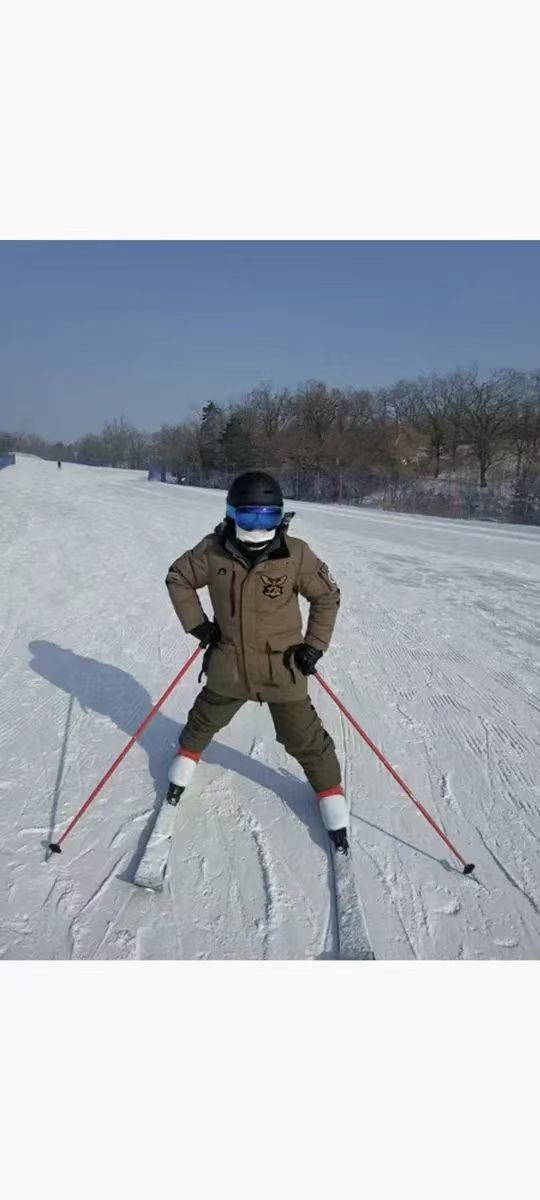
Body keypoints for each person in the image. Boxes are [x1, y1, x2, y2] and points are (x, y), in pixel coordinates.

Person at [165, 471, 350, 851]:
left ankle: (329, 792)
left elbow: (327, 597)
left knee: (304, 736)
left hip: (282, 667)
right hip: (229, 663)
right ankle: (185, 759)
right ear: (232, 513)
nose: (257, 527)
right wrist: (199, 627)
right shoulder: (213, 550)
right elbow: (178, 577)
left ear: (279, 517)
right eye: (249, 517)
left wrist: (313, 646)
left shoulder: (295, 554)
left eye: (267, 517)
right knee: (204, 718)